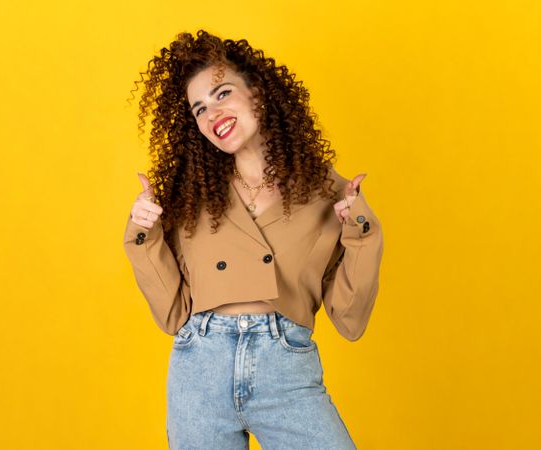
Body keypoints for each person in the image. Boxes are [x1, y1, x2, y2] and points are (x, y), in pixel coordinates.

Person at [123, 29, 384, 449]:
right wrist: (144, 232)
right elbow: (173, 316)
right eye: (199, 109)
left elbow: (350, 321)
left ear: (259, 93)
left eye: (222, 93)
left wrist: (360, 231)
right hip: (200, 369)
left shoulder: (327, 192)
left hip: (285, 366)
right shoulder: (189, 194)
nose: (212, 115)